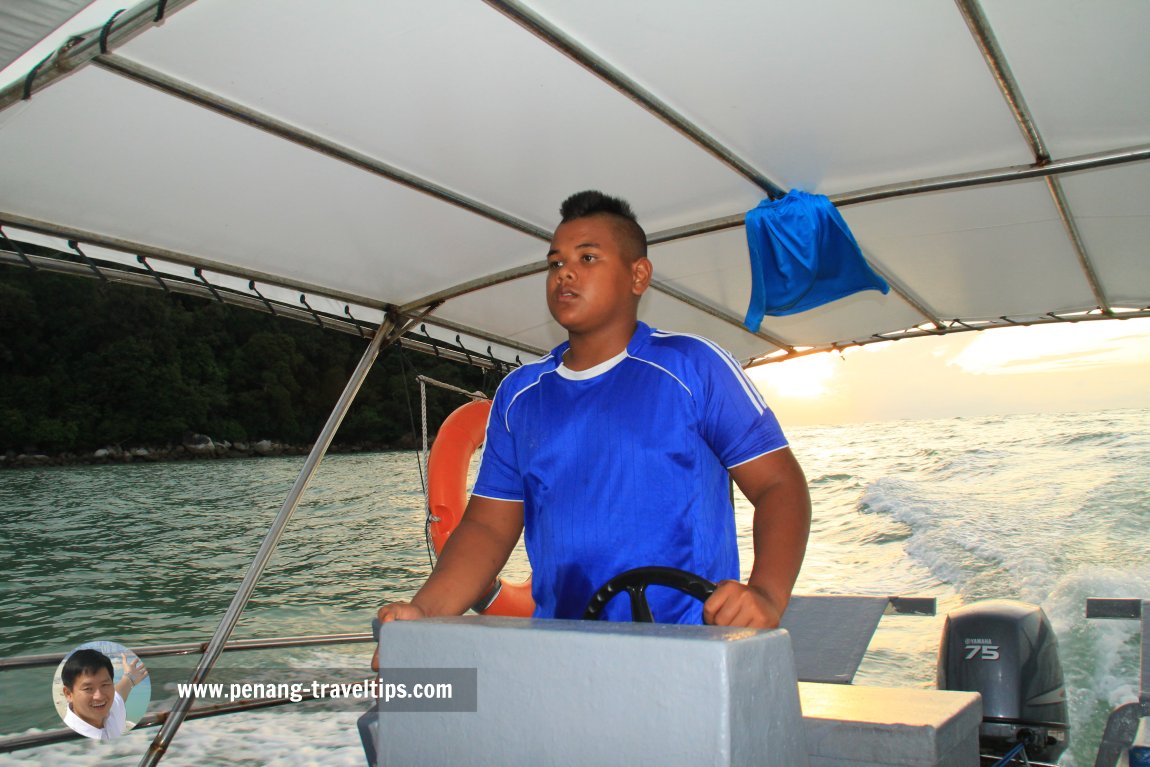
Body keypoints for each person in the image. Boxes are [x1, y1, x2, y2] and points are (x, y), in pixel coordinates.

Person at [378, 190, 810, 636]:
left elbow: (779, 484)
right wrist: (424, 611)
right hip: (564, 650)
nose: (564, 271)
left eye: (587, 258)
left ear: (638, 275)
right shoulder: (519, 396)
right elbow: (487, 527)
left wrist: (766, 594)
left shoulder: (694, 367)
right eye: (554, 262)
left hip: (690, 647)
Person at [60, 648, 147, 740]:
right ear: (68, 694)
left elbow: (121, 690)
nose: (99, 696)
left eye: (105, 685)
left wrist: (130, 677)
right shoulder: (68, 738)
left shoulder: (112, 708)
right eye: (88, 689)